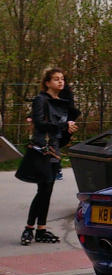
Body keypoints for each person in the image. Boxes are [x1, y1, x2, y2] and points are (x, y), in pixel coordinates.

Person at [15, 68, 79, 245]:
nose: (61, 82)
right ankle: (29, 229)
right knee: (42, 190)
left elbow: (61, 136)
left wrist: (69, 130)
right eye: (56, 79)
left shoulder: (63, 103)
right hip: (41, 150)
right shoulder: (40, 100)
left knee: (47, 190)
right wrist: (63, 125)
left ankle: (41, 229)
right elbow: (40, 123)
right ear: (47, 83)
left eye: (62, 79)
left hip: (54, 151)